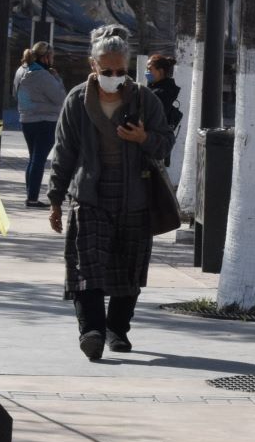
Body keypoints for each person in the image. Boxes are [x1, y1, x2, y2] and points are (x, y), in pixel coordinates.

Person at [47, 25, 173, 361]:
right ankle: (92, 331)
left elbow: (165, 144)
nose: (113, 77)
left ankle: (117, 328)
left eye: (121, 71)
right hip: (89, 196)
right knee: (86, 265)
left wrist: (143, 139)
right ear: (93, 66)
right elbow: (64, 152)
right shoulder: (76, 100)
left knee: (128, 268)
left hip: (135, 196)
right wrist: (55, 199)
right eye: (107, 71)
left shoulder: (145, 100)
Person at [13, 42, 67, 208]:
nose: (53, 59)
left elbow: (15, 93)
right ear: (45, 57)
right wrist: (57, 77)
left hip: (26, 120)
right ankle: (32, 198)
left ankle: (30, 194)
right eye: (52, 56)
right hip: (45, 121)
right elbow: (60, 97)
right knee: (39, 159)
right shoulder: (43, 75)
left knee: (33, 159)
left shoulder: (21, 71)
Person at [145, 53, 182, 156]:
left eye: (149, 69)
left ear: (160, 71)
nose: (146, 72)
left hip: (153, 143)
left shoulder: (162, 93)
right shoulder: (155, 88)